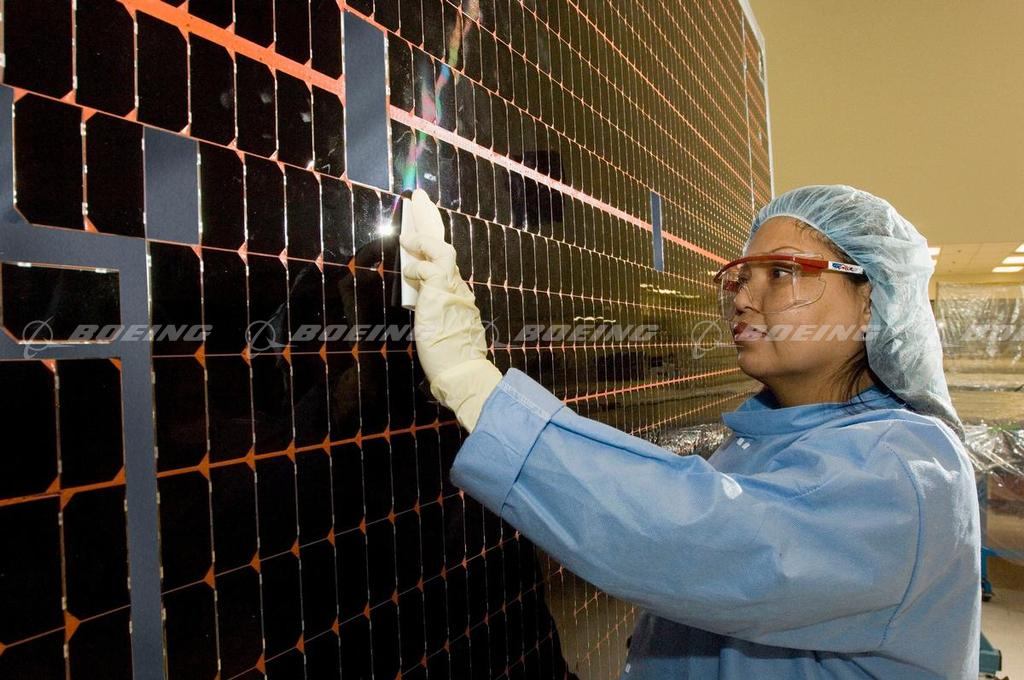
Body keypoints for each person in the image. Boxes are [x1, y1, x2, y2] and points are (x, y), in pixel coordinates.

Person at [400, 185, 981, 678]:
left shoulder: (909, 468)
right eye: (740, 277)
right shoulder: (765, 441)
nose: (743, 298)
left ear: (872, 301)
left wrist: (475, 385)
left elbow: (708, 539)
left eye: (782, 272)